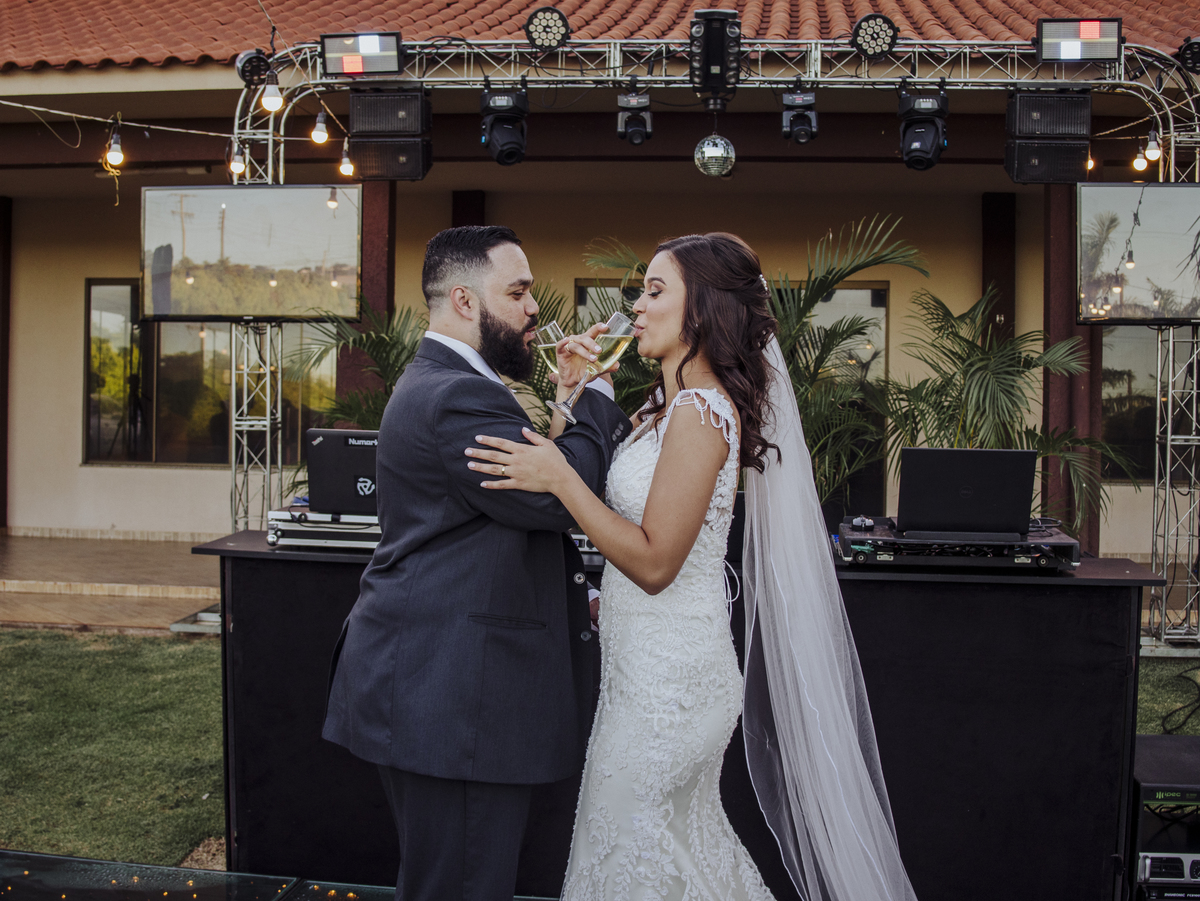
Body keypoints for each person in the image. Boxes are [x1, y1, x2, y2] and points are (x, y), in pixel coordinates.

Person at [466, 233, 919, 901]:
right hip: (639, 672)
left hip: (672, 686)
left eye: (655, 291)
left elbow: (654, 561)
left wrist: (561, 479)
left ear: (702, 309)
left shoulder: (702, 412)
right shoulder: (662, 409)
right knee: (662, 853)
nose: (636, 306)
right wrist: (570, 393)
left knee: (634, 851)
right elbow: (596, 500)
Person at [321, 225, 632, 901]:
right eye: (517, 292)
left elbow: (545, 470)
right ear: (465, 300)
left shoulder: (455, 384)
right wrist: (600, 396)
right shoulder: (456, 396)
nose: (534, 308)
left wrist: (570, 395)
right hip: (450, 696)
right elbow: (556, 497)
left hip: (443, 687)